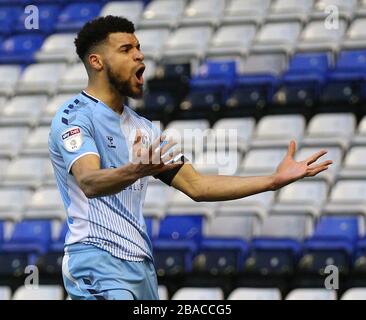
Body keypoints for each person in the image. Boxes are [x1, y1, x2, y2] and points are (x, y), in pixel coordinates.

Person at [48, 15, 333, 300]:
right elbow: (89, 181)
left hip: (140, 266)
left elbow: (198, 186)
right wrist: (136, 170)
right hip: (96, 260)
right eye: (126, 49)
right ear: (96, 62)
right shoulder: (75, 117)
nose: (139, 55)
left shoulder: (144, 129)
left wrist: (273, 180)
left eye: (138, 47)